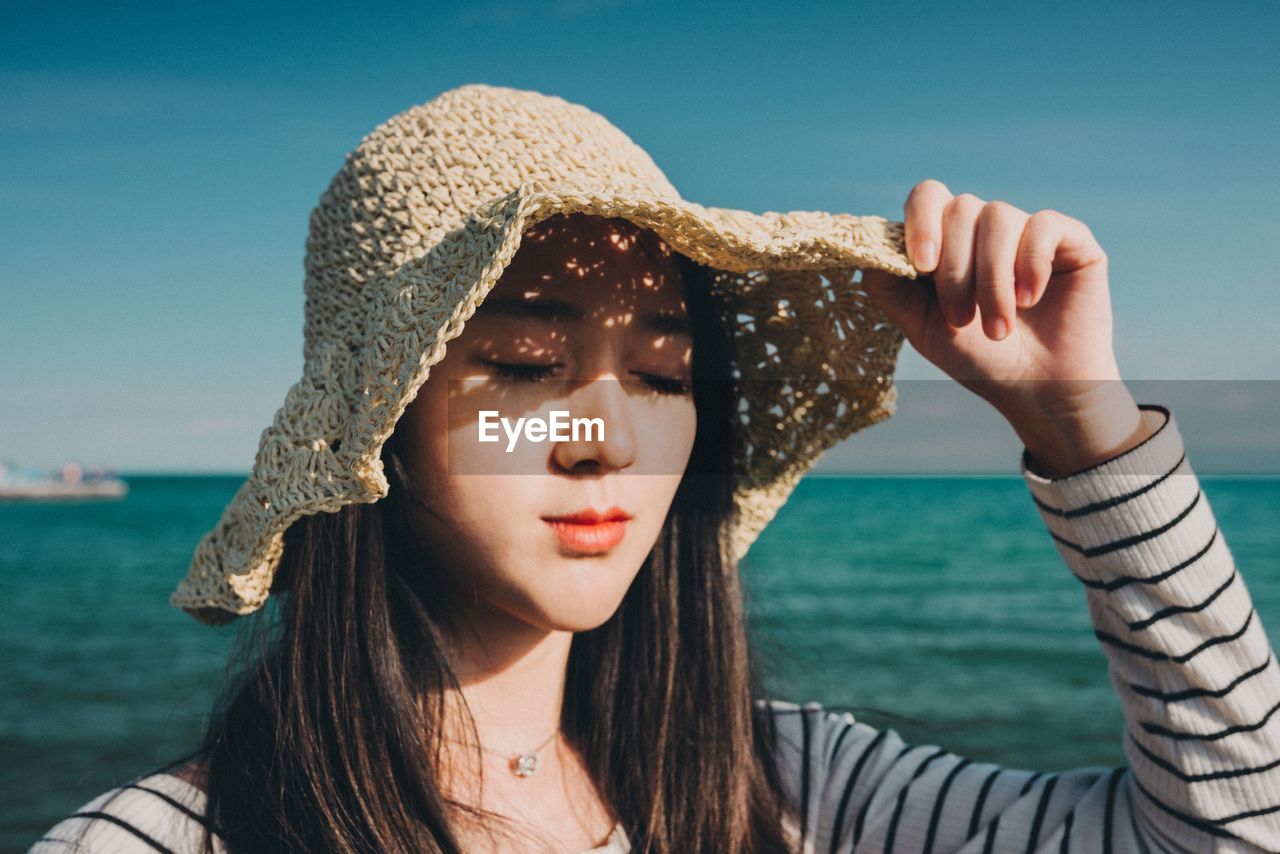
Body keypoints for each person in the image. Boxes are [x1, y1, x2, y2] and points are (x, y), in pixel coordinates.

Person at [31, 84, 1279, 853]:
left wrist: (1081, 425)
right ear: (378, 429)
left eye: (666, 376)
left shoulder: (784, 787)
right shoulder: (161, 840)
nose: (603, 432)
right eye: (522, 362)